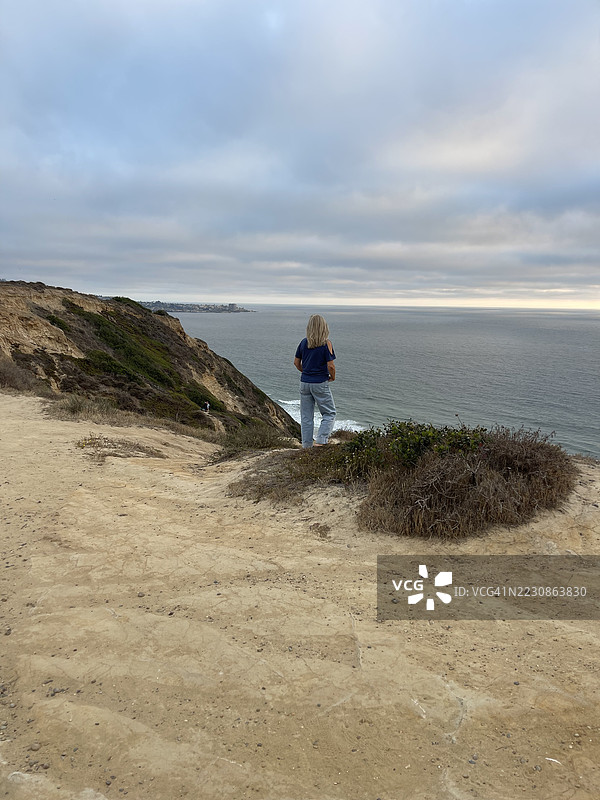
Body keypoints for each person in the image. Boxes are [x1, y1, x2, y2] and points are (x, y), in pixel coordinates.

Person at [294, 314, 336, 448]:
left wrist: (305, 372)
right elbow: (330, 365)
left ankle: (306, 446)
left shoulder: (303, 342)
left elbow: (296, 363)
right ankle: (321, 441)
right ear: (324, 328)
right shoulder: (326, 344)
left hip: (305, 383)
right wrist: (332, 377)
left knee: (306, 417)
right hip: (320, 383)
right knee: (329, 413)